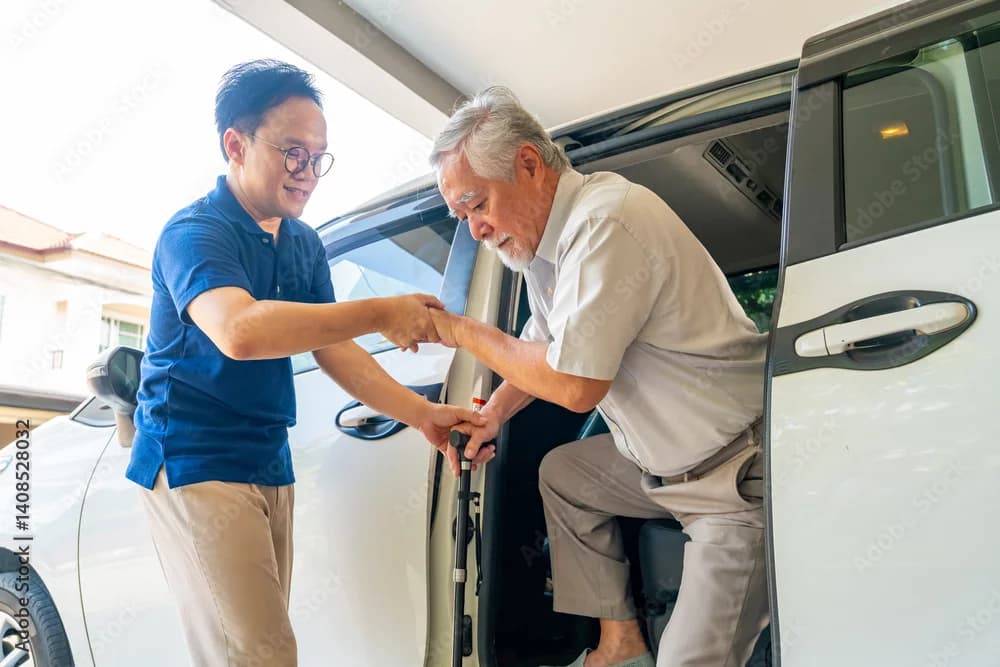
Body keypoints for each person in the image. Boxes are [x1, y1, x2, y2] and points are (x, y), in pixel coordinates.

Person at [126, 59, 485, 666]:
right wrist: (377, 312)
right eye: (294, 153)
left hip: (268, 457)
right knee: (259, 655)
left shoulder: (302, 242)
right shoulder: (193, 233)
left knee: (259, 647)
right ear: (234, 145)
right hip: (194, 457)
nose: (309, 173)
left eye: (319, 157)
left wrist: (422, 413)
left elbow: (334, 350)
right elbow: (238, 331)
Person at [427, 87, 770, 667]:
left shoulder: (607, 222)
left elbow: (572, 383)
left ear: (529, 164)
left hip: (734, 482)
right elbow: (542, 347)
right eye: (464, 218)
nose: (477, 230)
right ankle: (620, 642)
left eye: (477, 204)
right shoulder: (543, 250)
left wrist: (460, 331)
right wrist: (491, 418)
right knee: (565, 473)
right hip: (663, 468)